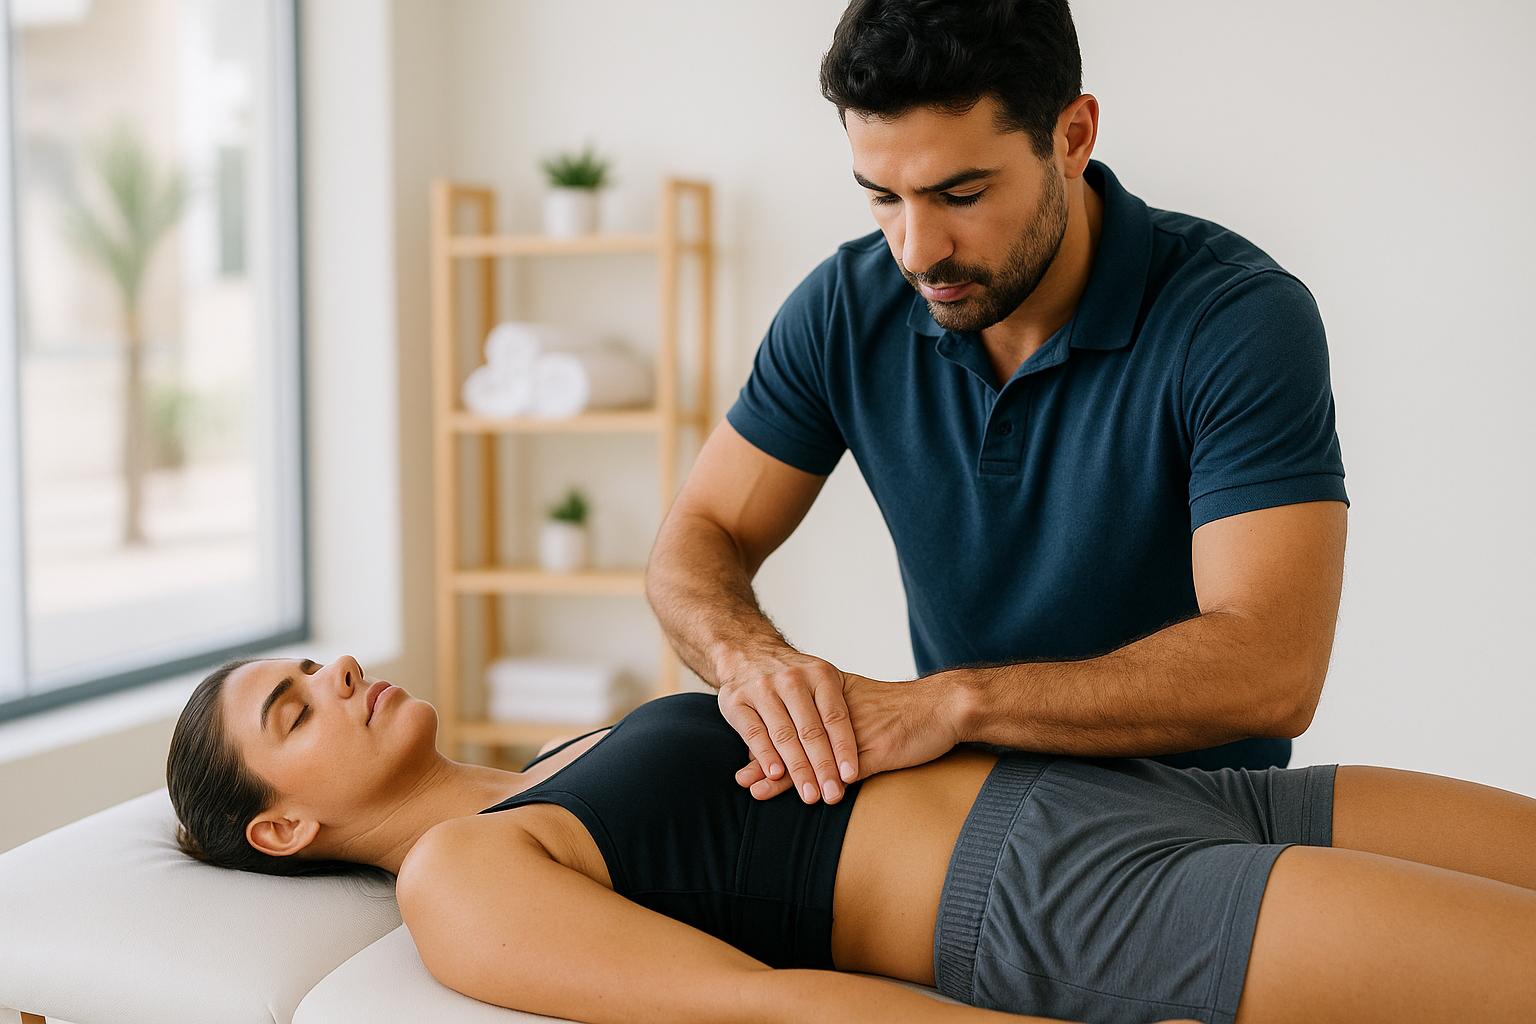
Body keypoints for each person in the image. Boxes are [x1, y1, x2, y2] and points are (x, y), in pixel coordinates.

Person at [645, 0, 1349, 808]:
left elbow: (1271, 670)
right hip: (963, 818)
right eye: (882, 197)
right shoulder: (845, 307)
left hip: (1203, 823)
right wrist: (753, 665)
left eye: (962, 194)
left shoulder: (1234, 319)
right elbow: (700, 535)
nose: (917, 250)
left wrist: (954, 704)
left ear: (1073, 136)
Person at [168, 654, 1536, 1024]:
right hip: (1059, 901)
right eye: (294, 709)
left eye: (312, 663)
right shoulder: (459, 877)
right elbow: (755, 1005)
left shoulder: (564, 755)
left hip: (1151, 786)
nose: (339, 674)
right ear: (284, 827)